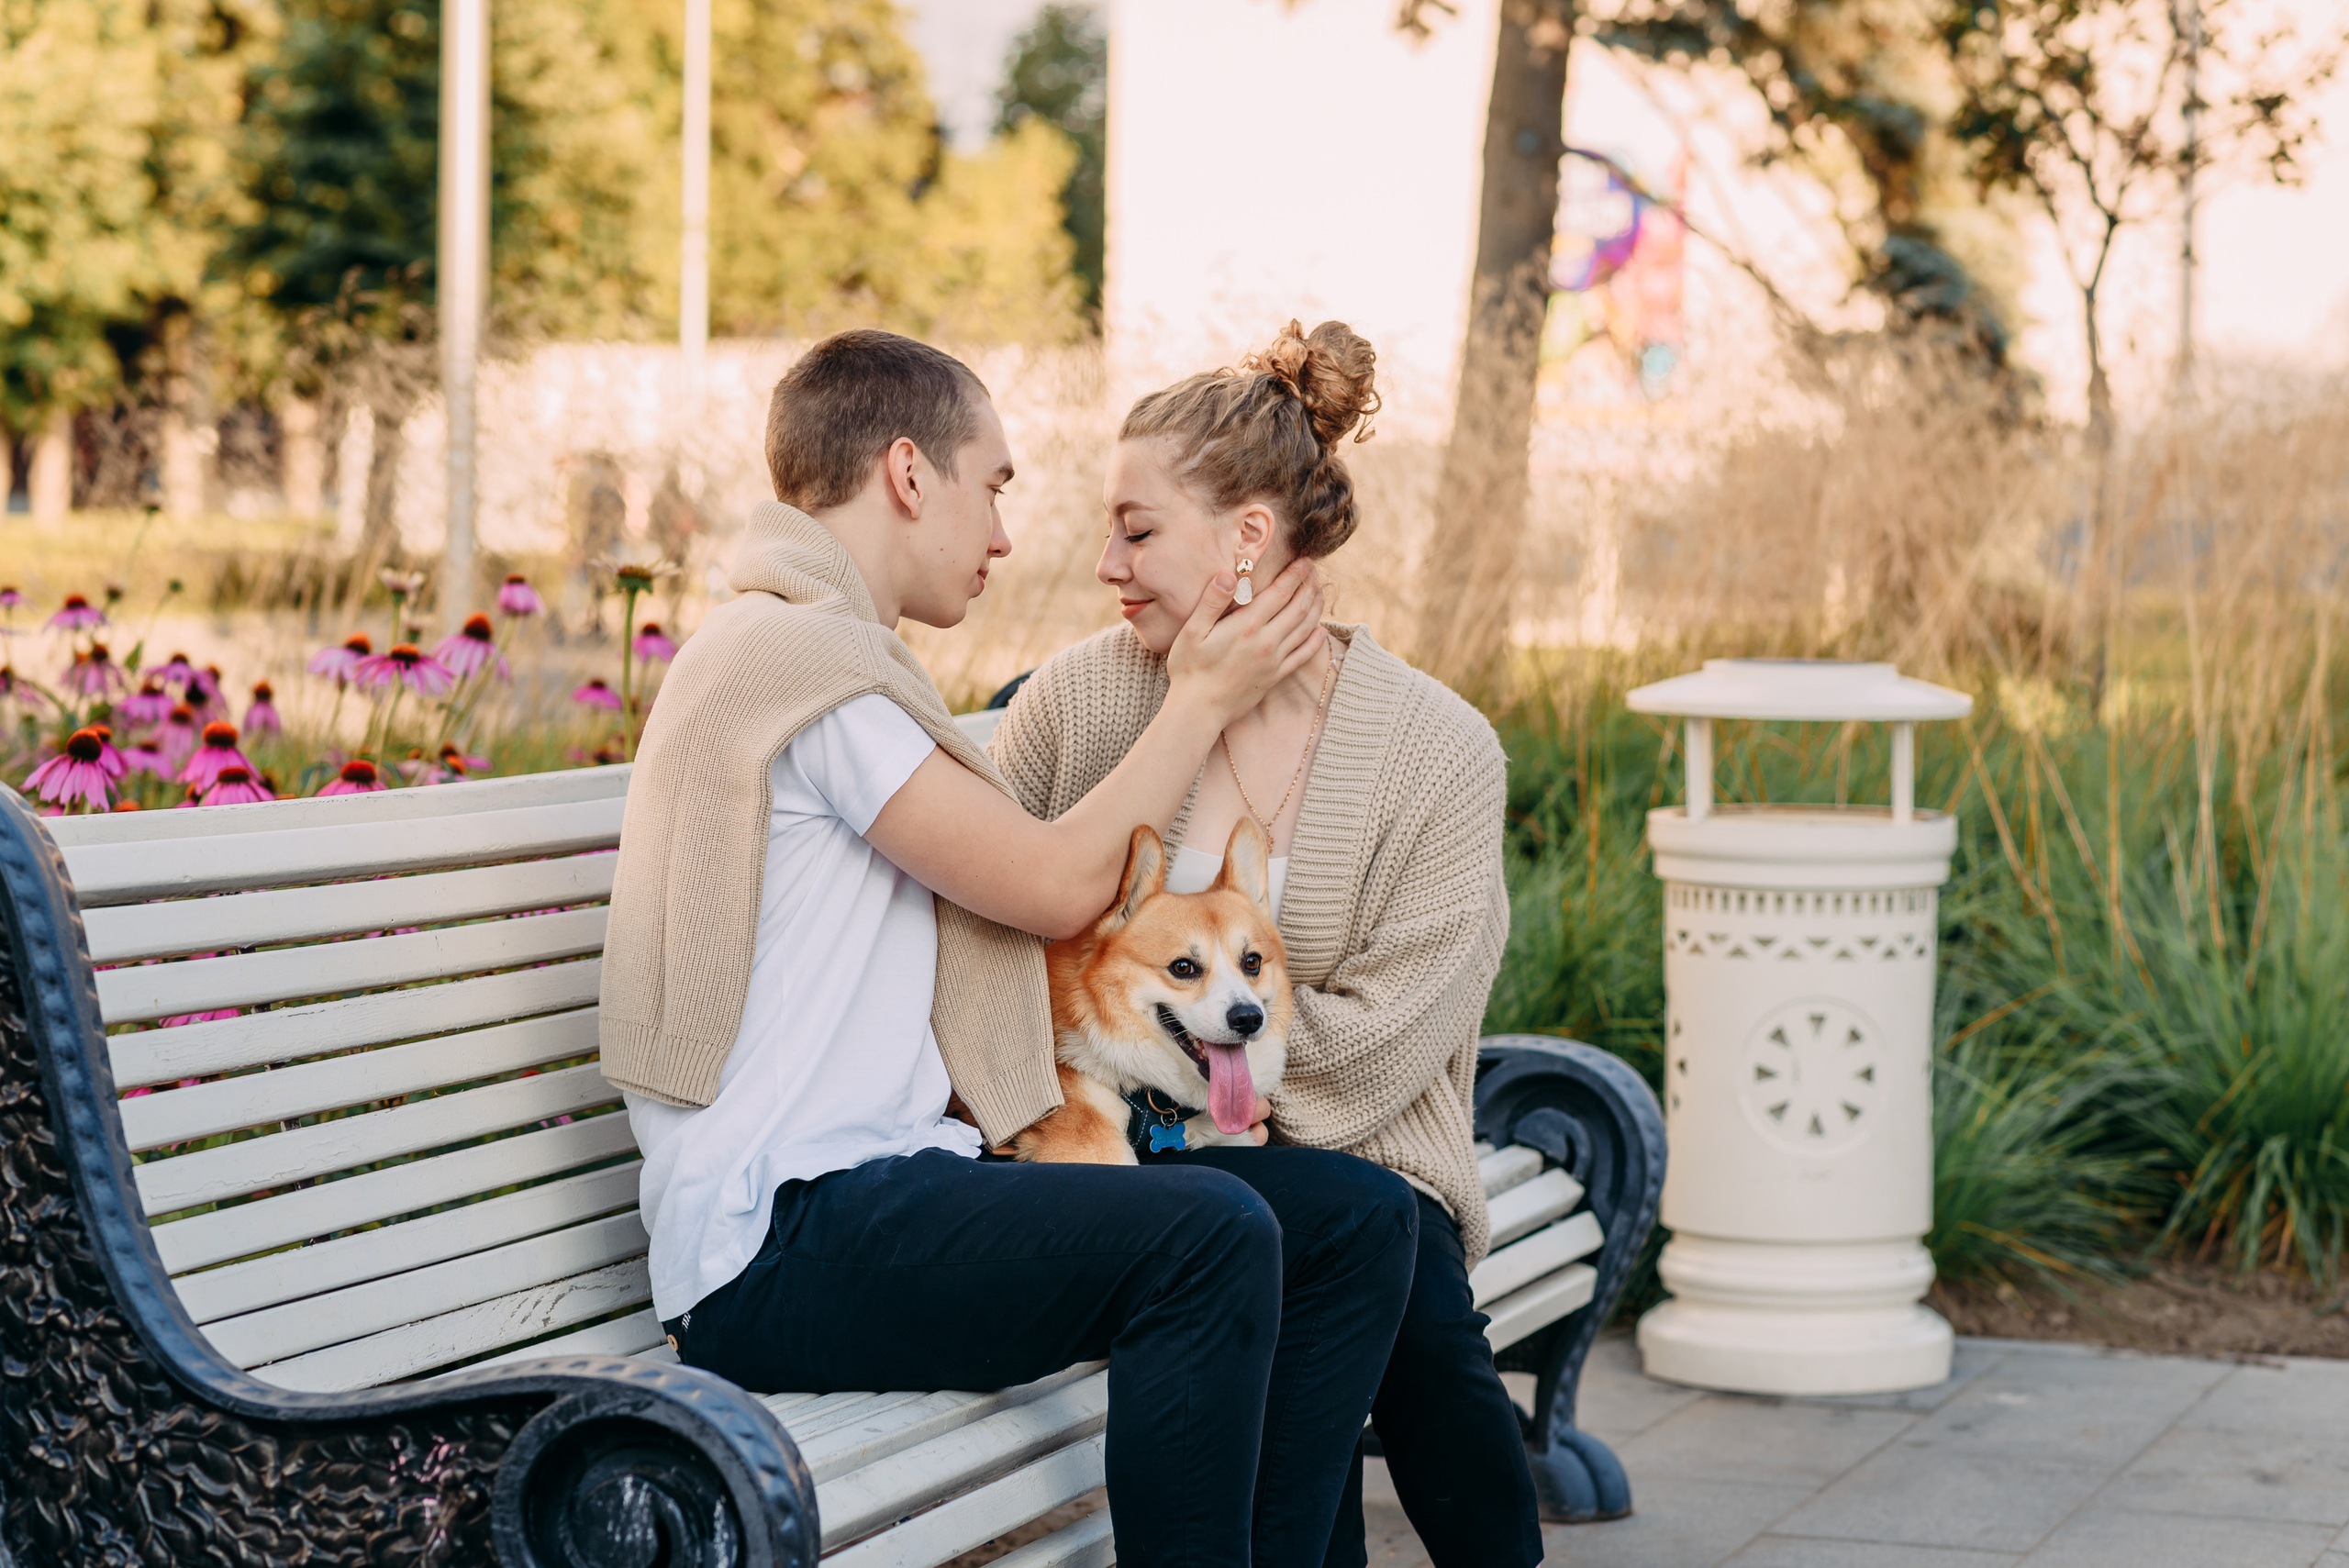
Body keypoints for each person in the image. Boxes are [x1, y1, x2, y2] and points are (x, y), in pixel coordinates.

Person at [600, 328, 1419, 1568]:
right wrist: (1203, 696)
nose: (1001, 534)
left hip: (890, 1190)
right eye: (993, 487)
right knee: (1205, 1235)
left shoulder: (834, 665)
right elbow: (1050, 886)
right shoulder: (804, 671)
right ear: (908, 474)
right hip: (780, 1240)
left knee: (1358, 1219)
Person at [989, 320, 1537, 1568]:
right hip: (1116, 1151)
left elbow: (1394, 1034)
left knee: (1384, 1254)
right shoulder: (1079, 701)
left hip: (1362, 1141)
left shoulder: (1438, 750)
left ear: (1248, 536)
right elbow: (989, 935)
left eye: (1136, 531)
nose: (1105, 564)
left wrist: (1198, 1074)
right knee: (1346, 1253)